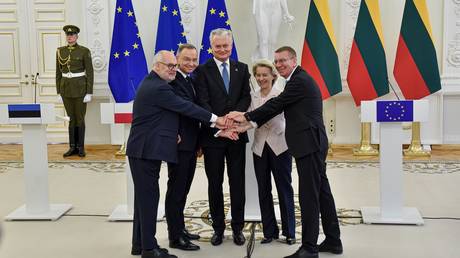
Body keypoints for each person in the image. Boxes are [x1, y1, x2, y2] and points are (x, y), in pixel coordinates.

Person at [227, 46, 343, 258]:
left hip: (309, 144)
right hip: (311, 142)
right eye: (277, 61)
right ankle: (334, 240)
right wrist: (248, 123)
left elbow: (276, 104)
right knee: (322, 192)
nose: (279, 65)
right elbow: (276, 107)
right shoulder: (297, 80)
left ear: (294, 60)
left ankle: (309, 247)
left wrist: (245, 117)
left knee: (309, 196)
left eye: (283, 61)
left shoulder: (299, 81)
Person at [126, 50, 227, 258]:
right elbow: (184, 107)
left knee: (143, 200)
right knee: (149, 200)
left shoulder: (156, 84)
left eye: (174, 66)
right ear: (157, 66)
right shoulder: (159, 87)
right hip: (145, 151)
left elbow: (164, 116)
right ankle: (149, 249)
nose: (173, 70)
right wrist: (217, 119)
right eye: (169, 66)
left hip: (146, 149)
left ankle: (140, 244)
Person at [194, 28, 251, 246]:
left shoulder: (242, 68)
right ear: (211, 47)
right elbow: (202, 101)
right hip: (213, 138)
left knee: (237, 183)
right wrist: (220, 123)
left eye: (226, 45)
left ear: (231, 45)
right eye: (218, 46)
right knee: (214, 184)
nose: (222, 49)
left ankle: (238, 228)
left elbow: (246, 97)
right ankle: (218, 228)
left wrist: (234, 121)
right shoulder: (202, 70)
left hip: (236, 135)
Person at [249, 60, 296, 245]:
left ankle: (289, 231)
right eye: (258, 75)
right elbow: (247, 119)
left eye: (265, 75)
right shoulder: (252, 96)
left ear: (273, 76)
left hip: (280, 146)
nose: (261, 78)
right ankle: (269, 232)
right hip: (259, 147)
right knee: (263, 190)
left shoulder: (282, 95)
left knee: (284, 189)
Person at [165, 44, 201, 251]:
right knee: (176, 190)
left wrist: (197, 143)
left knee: (184, 189)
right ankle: (174, 237)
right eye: (186, 59)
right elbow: (183, 110)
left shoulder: (191, 78)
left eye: (194, 60)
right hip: (179, 144)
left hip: (191, 143)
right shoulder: (173, 80)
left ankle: (180, 228)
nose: (191, 64)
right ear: (177, 59)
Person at [56, 25, 93, 157]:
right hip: (66, 89)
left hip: (80, 89)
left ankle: (81, 147)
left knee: (80, 119)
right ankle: (72, 147)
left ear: (77, 36)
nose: (70, 37)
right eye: (68, 35)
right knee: (71, 119)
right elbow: (58, 73)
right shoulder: (60, 51)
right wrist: (58, 92)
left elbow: (89, 72)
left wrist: (89, 92)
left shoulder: (84, 51)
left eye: (72, 35)